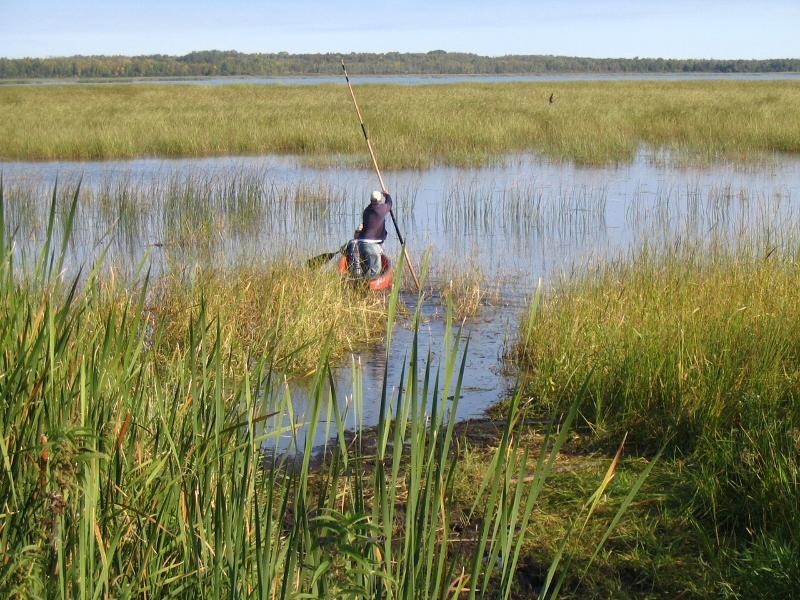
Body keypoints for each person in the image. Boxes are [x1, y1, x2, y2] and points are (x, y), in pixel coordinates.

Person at [353, 190, 392, 279]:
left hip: (360, 244)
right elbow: (389, 204)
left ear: (371, 200)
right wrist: (387, 195)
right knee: (375, 272)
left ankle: (360, 279)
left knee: (367, 266)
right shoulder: (381, 209)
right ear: (379, 201)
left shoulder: (366, 210)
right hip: (372, 245)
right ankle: (364, 284)